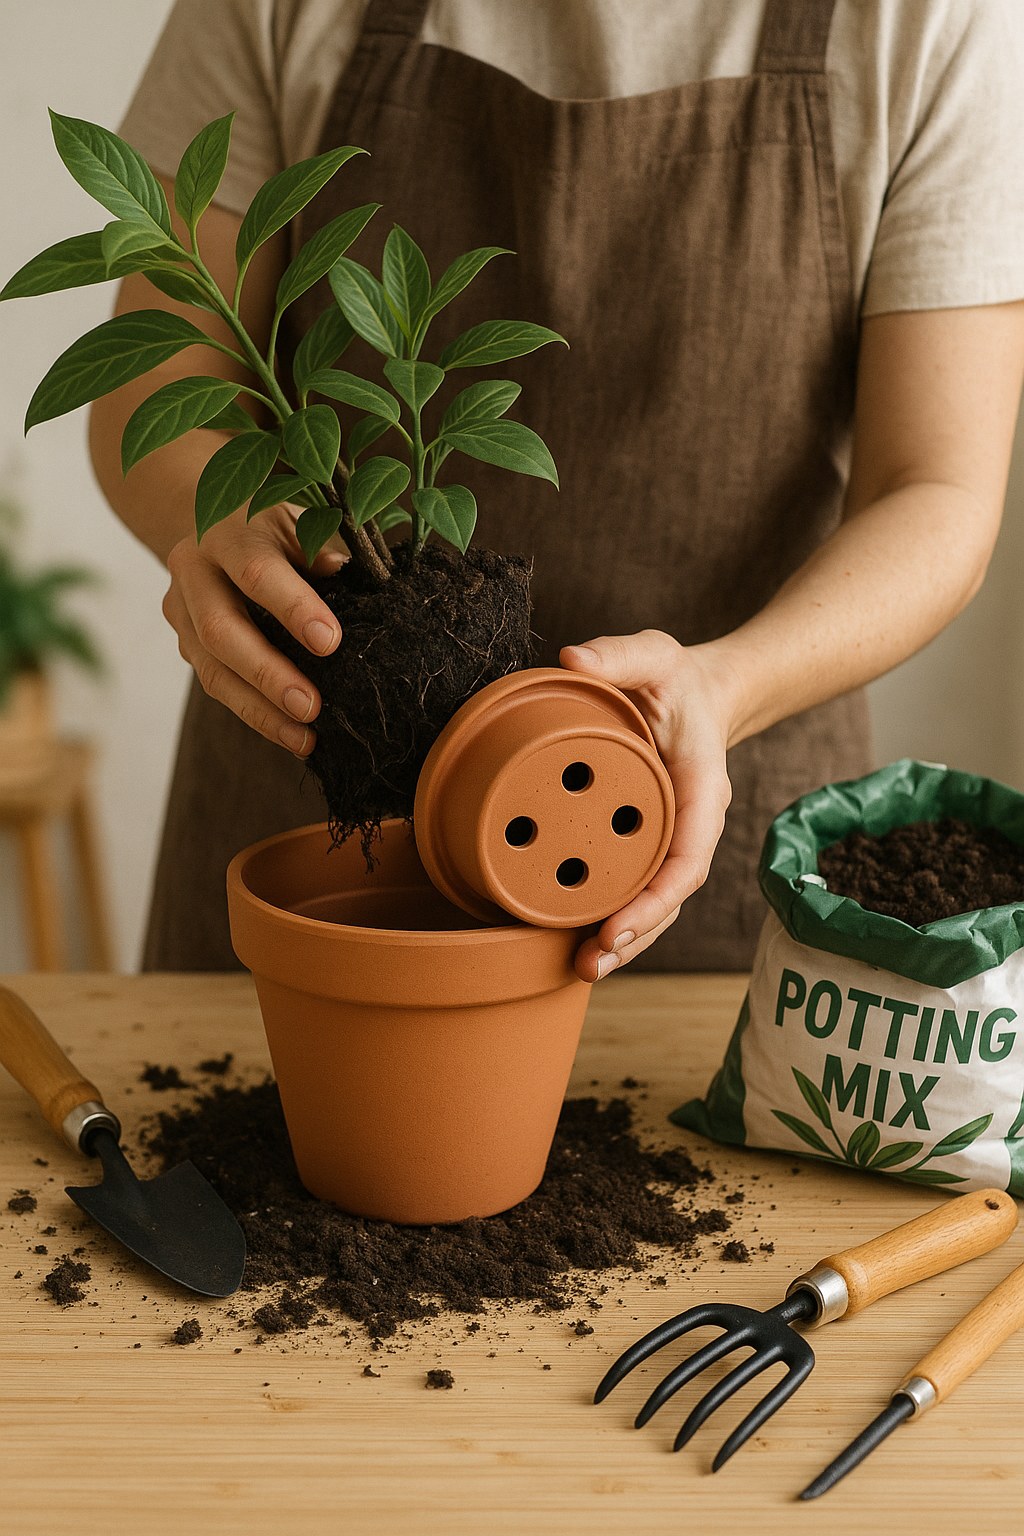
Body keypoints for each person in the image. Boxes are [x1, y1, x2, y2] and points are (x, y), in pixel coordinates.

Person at [91, 0, 1024, 978]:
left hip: (693, 825)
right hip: (324, 834)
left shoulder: (928, 18)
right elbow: (155, 381)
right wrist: (214, 519)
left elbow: (935, 489)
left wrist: (727, 686)